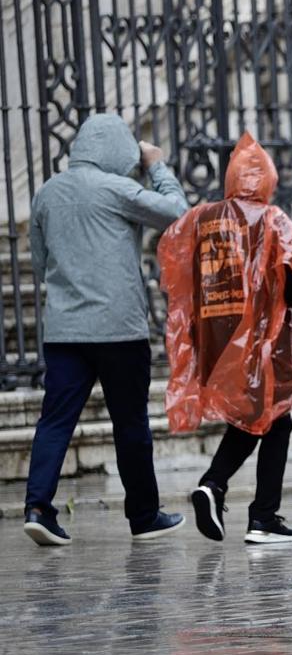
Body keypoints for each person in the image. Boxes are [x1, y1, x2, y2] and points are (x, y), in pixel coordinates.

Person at [157, 133, 292, 545]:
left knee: (260, 418)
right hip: (263, 342)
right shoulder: (272, 219)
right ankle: (255, 511)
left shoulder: (205, 219)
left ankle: (225, 493)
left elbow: (182, 272)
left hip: (216, 337)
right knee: (272, 420)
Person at [22, 114, 188, 546]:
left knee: (55, 421)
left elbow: (41, 264)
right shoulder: (118, 189)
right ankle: (144, 516)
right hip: (119, 330)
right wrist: (155, 166)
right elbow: (177, 212)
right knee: (130, 423)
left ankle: (38, 507)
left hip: (64, 331)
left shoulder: (46, 194)